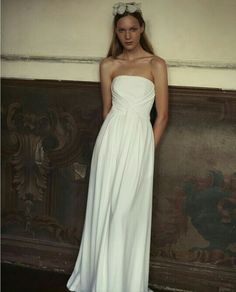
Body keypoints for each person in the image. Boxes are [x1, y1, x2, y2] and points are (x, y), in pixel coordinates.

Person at [66, 2, 168, 292]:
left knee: (125, 212)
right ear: (116, 32)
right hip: (110, 142)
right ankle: (101, 280)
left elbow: (162, 116)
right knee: (106, 208)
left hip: (139, 144)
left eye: (133, 29)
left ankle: (124, 283)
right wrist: (107, 145)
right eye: (122, 30)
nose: (128, 35)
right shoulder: (108, 65)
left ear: (142, 29)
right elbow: (106, 110)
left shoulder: (156, 64)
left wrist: (146, 150)